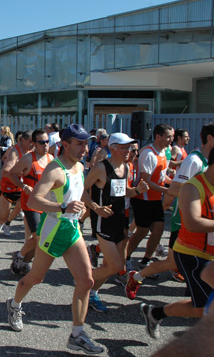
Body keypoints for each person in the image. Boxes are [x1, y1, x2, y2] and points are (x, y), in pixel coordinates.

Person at [6, 124, 107, 354]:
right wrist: (63, 206)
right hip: (52, 230)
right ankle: (14, 305)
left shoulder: (80, 166)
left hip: (72, 229)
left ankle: (77, 334)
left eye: (86, 143)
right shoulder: (55, 169)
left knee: (86, 281)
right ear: (66, 143)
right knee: (36, 278)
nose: (84, 148)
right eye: (79, 143)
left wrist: (93, 207)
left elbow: (80, 191)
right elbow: (33, 201)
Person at [139, 142, 214, 340]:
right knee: (209, 305)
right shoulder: (193, 187)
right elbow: (193, 224)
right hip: (192, 255)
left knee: (208, 304)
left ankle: (154, 313)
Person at [126, 122, 214, 299]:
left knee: (160, 234)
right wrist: (175, 194)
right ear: (210, 138)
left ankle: (147, 262)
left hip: (204, 219)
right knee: (165, 255)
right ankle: (135, 275)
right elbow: (174, 188)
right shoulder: (193, 160)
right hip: (179, 216)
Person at [84, 133, 148, 313]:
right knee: (114, 266)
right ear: (112, 148)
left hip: (120, 219)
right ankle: (83, 283)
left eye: (129, 147)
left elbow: (122, 191)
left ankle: (92, 293)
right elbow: (81, 189)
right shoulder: (101, 168)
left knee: (113, 265)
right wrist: (95, 208)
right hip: (103, 222)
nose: (129, 151)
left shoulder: (126, 167)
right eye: (124, 147)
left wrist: (136, 190)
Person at [153, 233, 214, 357]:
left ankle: (155, 312)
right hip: (192, 252)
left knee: (200, 309)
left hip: (206, 257)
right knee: (199, 309)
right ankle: (152, 307)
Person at [125, 123, 174, 271]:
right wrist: (168, 191)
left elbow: (161, 177)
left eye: (172, 136)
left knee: (159, 229)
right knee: (142, 231)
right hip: (143, 199)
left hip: (155, 198)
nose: (171, 139)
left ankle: (146, 260)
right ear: (158, 136)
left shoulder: (164, 152)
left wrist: (176, 184)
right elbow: (146, 181)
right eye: (168, 136)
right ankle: (125, 258)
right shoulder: (148, 153)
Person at [3, 129, 52, 263]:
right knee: (38, 236)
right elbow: (11, 173)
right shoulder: (28, 158)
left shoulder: (51, 158)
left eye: (47, 142)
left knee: (41, 238)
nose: (46, 145)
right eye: (42, 142)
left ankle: (21, 259)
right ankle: (21, 257)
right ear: (35, 143)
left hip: (45, 203)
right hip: (30, 204)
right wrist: (23, 186)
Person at [0, 130, 33, 245]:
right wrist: (21, 172)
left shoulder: (32, 152)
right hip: (9, 187)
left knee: (27, 214)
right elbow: (5, 171)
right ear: (23, 140)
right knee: (3, 217)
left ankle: (27, 244)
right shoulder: (14, 151)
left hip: (24, 188)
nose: (33, 144)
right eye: (30, 141)